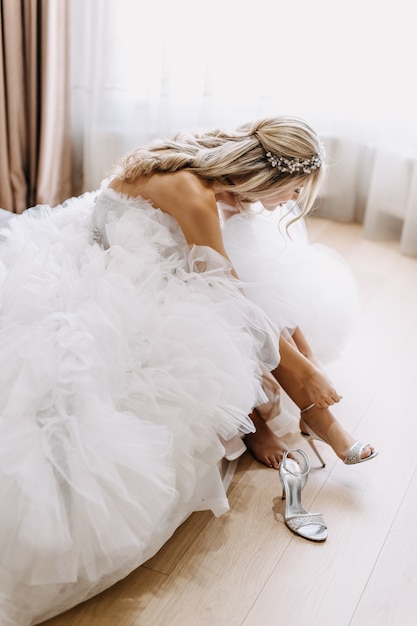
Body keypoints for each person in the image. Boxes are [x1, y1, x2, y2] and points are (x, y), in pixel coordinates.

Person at [0, 115, 376, 625]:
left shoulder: (218, 181)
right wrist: (302, 368)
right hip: (116, 269)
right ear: (264, 175)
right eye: (291, 190)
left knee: (269, 275)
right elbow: (229, 295)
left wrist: (298, 358)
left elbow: (235, 280)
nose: (290, 202)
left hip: (165, 256)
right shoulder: (193, 192)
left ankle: (314, 414)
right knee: (225, 316)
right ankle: (289, 416)